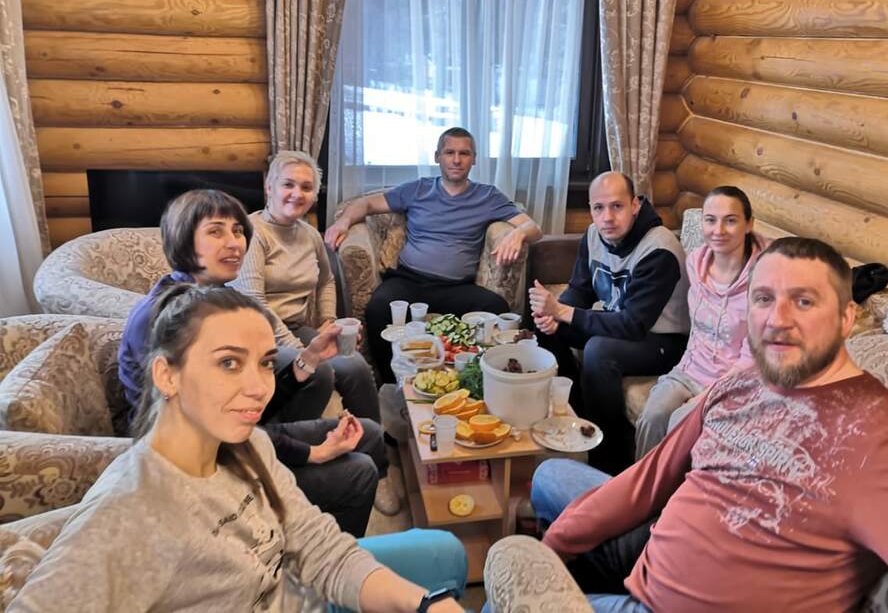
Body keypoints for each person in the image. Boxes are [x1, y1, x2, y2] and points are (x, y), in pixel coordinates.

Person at [526, 237, 888, 612]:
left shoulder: (884, 443)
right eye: (763, 298)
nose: (778, 320)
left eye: (804, 301)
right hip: (653, 554)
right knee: (548, 476)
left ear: (846, 318)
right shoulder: (740, 384)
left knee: (506, 597)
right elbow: (646, 482)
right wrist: (555, 547)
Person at [13, 285, 466, 612]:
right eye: (228, 363)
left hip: (298, 590)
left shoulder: (248, 443)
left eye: (265, 363)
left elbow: (320, 547)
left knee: (447, 552)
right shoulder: (128, 512)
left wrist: (424, 606)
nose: (258, 388)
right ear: (166, 375)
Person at [117, 189, 391, 534]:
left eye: (237, 231)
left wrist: (309, 359)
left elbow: (247, 407)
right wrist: (312, 453)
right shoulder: (168, 319)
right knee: (358, 472)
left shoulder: (214, 298)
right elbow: (219, 434)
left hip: (234, 438)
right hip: (199, 468)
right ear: (184, 240)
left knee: (369, 434)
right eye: (215, 231)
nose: (234, 243)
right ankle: (304, 558)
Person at [231, 150, 395, 513]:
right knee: (319, 372)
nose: (297, 194)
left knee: (355, 366)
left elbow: (326, 281)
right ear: (269, 186)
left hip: (297, 328)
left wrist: (327, 322)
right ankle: (301, 460)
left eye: (306, 188)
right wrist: (303, 349)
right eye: (288, 184)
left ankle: (379, 466)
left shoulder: (308, 234)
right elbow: (254, 302)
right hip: (259, 336)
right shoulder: (252, 234)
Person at [325, 127, 542, 383]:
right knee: (378, 308)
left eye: (464, 153)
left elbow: (534, 228)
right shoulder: (419, 189)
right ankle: (394, 383)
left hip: (457, 288)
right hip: (409, 281)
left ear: (474, 159)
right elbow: (367, 203)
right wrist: (343, 222)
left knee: (496, 308)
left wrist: (518, 234)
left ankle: (474, 380)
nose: (457, 160)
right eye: (450, 152)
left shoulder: (488, 196)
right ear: (438, 156)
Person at [528, 171, 688, 473]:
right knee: (547, 325)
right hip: (622, 322)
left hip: (663, 341)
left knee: (599, 351)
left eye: (617, 206)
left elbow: (633, 324)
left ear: (635, 205)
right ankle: (573, 418)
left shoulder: (659, 249)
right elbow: (580, 289)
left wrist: (563, 312)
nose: (607, 217)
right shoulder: (593, 235)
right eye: (598, 208)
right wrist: (554, 314)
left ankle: (607, 459)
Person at [635, 186, 768, 456]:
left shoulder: (765, 282)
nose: (718, 230)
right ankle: (639, 480)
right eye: (710, 220)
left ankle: (673, 484)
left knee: (679, 424)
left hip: (732, 384)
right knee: (651, 416)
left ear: (748, 224)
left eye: (730, 220)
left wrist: (704, 396)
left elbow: (751, 358)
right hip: (689, 370)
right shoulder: (695, 264)